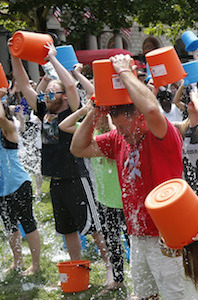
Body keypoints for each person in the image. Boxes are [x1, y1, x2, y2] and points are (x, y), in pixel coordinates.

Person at [71, 53, 188, 299]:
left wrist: (124, 72)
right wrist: (95, 111)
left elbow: (153, 109)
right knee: (144, 294)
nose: (121, 133)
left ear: (140, 118)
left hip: (166, 234)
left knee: (175, 295)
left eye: (124, 127)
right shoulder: (117, 139)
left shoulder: (162, 135)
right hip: (137, 234)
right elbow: (78, 148)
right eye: (118, 127)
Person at [10, 41, 109, 273]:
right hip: (56, 180)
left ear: (63, 96)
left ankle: (110, 269)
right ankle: (77, 269)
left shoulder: (71, 109)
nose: (46, 94)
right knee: (67, 230)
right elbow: (24, 84)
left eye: (51, 91)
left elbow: (72, 86)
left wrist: (53, 59)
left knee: (94, 227)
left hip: (76, 176)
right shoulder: (45, 110)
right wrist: (15, 56)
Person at [58, 99, 127, 292]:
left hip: (124, 200)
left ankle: (140, 280)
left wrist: (107, 113)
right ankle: (118, 279)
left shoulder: (114, 135)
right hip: (106, 200)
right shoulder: (91, 133)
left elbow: (116, 134)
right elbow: (64, 125)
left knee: (131, 241)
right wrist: (87, 110)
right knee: (113, 242)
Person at [0, 88, 41, 276]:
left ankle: (35, 265)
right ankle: (17, 262)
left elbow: (1, 118)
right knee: (10, 226)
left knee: (28, 224)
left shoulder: (9, 129)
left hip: (18, 184)